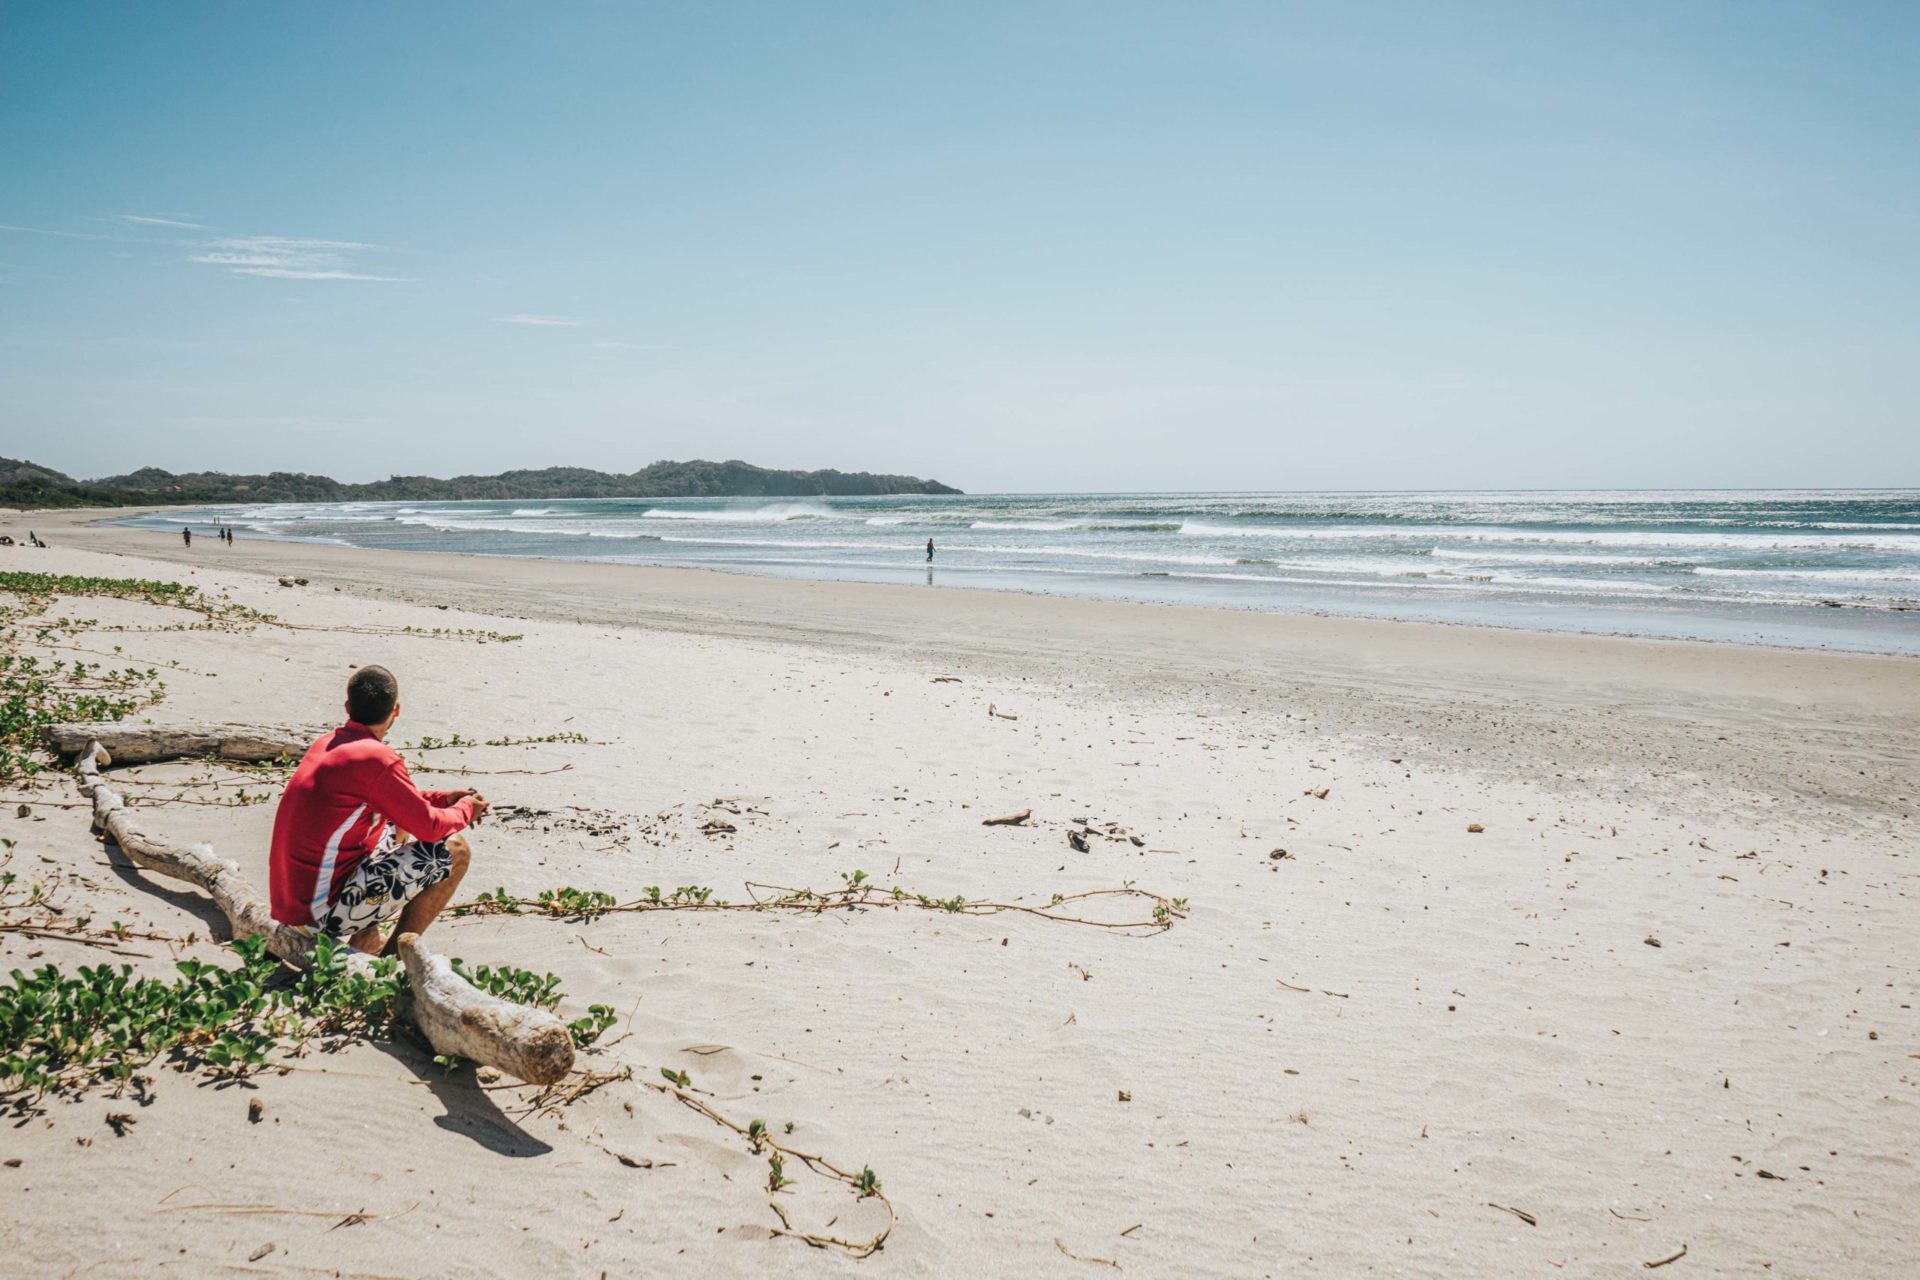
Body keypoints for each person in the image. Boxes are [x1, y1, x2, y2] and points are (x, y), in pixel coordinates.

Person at [268, 664, 486, 955]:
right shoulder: (377, 759)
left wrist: (443, 799)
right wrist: (465, 810)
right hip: (319, 912)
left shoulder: (328, 743)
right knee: (456, 850)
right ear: (395, 710)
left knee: (393, 828)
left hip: (291, 900)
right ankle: (393, 958)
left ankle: (365, 938)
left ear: (347, 707)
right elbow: (430, 828)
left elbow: (386, 800)